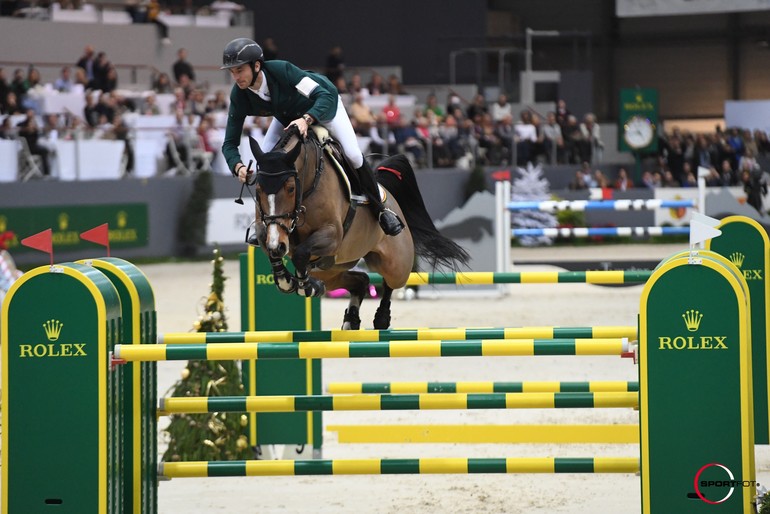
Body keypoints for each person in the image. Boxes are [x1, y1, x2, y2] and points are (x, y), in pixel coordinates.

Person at [219, 38, 403, 236]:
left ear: (256, 66)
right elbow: (229, 143)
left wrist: (306, 119)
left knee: (353, 154)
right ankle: (262, 224)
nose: (235, 77)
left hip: (324, 106)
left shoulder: (282, 71)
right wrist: (237, 166)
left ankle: (382, 210)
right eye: (232, 72)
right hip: (288, 115)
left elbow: (323, 95)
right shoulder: (239, 95)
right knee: (263, 159)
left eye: (239, 70)